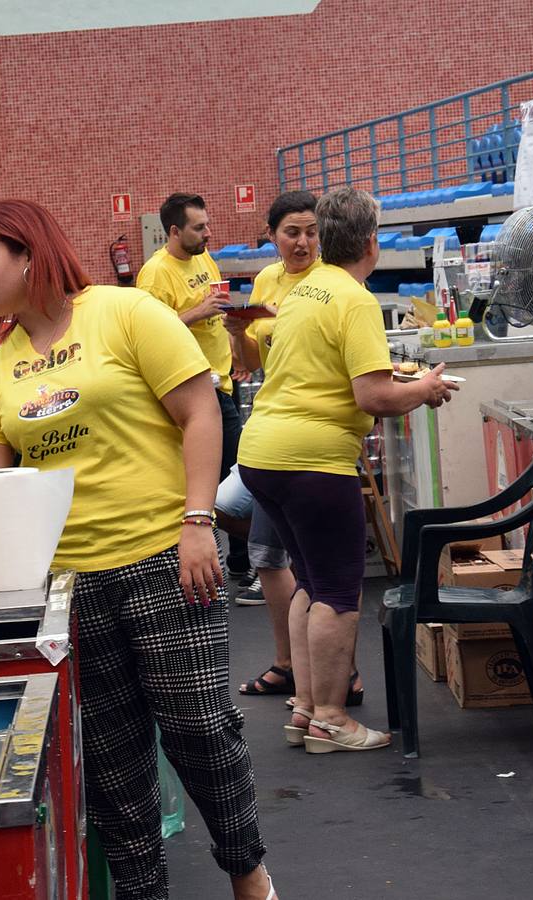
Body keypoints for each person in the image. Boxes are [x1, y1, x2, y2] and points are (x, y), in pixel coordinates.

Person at [0, 200, 276, 900]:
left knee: (201, 732)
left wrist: (197, 520)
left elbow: (200, 411)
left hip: (165, 557)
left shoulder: (123, 313)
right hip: (71, 584)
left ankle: (250, 875)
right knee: (113, 764)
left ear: (29, 254)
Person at [238, 187, 456, 754]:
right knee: (338, 590)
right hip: (312, 459)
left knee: (312, 582)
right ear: (369, 242)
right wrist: (426, 387)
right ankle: (332, 718)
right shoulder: (354, 299)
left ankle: (309, 710)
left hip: (264, 452)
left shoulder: (303, 290)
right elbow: (374, 395)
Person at [220, 192, 319, 700]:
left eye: (310, 232)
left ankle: (326, 674)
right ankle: (291, 664)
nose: (301, 242)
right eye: (291, 233)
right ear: (273, 235)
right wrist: (238, 333)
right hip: (271, 433)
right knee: (266, 553)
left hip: (314, 437)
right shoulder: (266, 281)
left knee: (305, 563)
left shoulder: (330, 283)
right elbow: (253, 363)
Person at [136, 193, 249, 578]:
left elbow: (214, 313)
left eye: (206, 225)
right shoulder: (155, 273)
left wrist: (236, 349)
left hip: (222, 377)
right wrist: (197, 312)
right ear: (173, 231)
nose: (207, 234)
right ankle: (240, 561)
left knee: (231, 476)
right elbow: (148, 335)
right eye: (198, 228)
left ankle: (237, 560)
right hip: (195, 386)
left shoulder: (202, 256)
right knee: (227, 479)